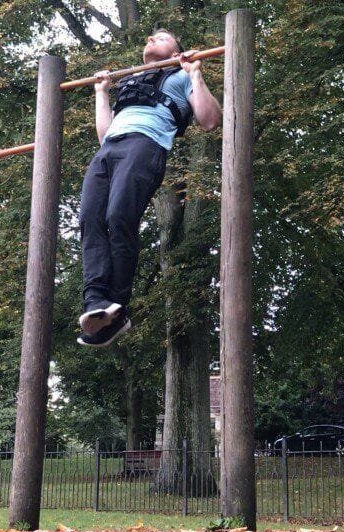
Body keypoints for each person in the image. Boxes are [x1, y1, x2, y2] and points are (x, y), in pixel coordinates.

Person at [77, 29, 221, 348]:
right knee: (90, 219)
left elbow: (210, 120)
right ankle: (96, 303)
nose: (151, 41)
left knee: (118, 217)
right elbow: (105, 134)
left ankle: (118, 307)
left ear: (176, 50)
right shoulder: (130, 82)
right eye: (149, 39)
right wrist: (101, 93)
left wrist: (195, 73)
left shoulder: (182, 75)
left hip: (146, 145)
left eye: (161, 37)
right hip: (109, 149)